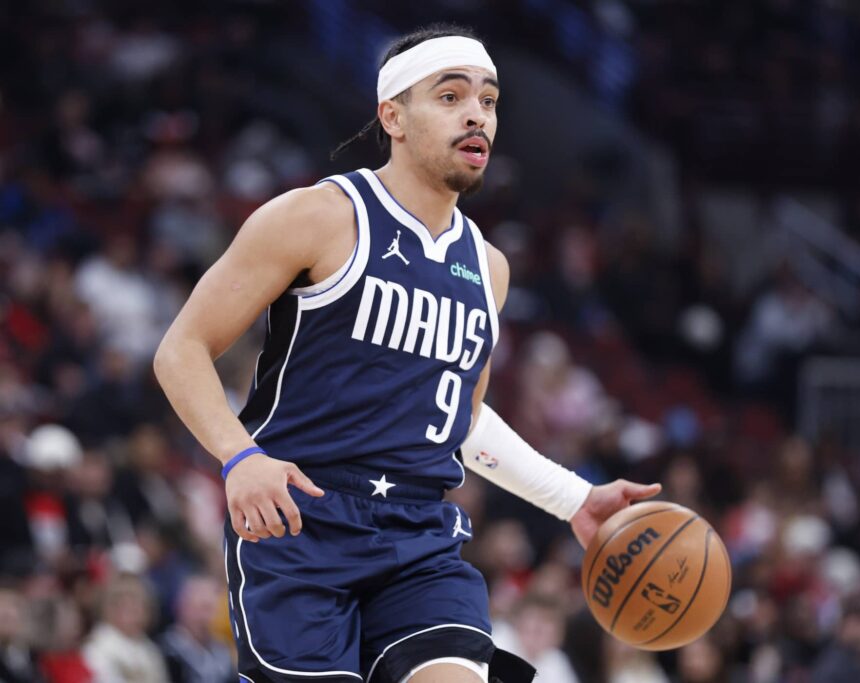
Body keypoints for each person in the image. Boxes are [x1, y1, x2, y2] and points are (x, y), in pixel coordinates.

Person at [154, 23, 660, 683]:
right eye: (450, 97)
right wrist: (239, 456)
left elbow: (461, 418)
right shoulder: (317, 216)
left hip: (417, 535)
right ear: (392, 114)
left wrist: (572, 498)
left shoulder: (488, 266)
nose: (477, 113)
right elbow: (181, 348)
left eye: (489, 99)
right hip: (301, 526)